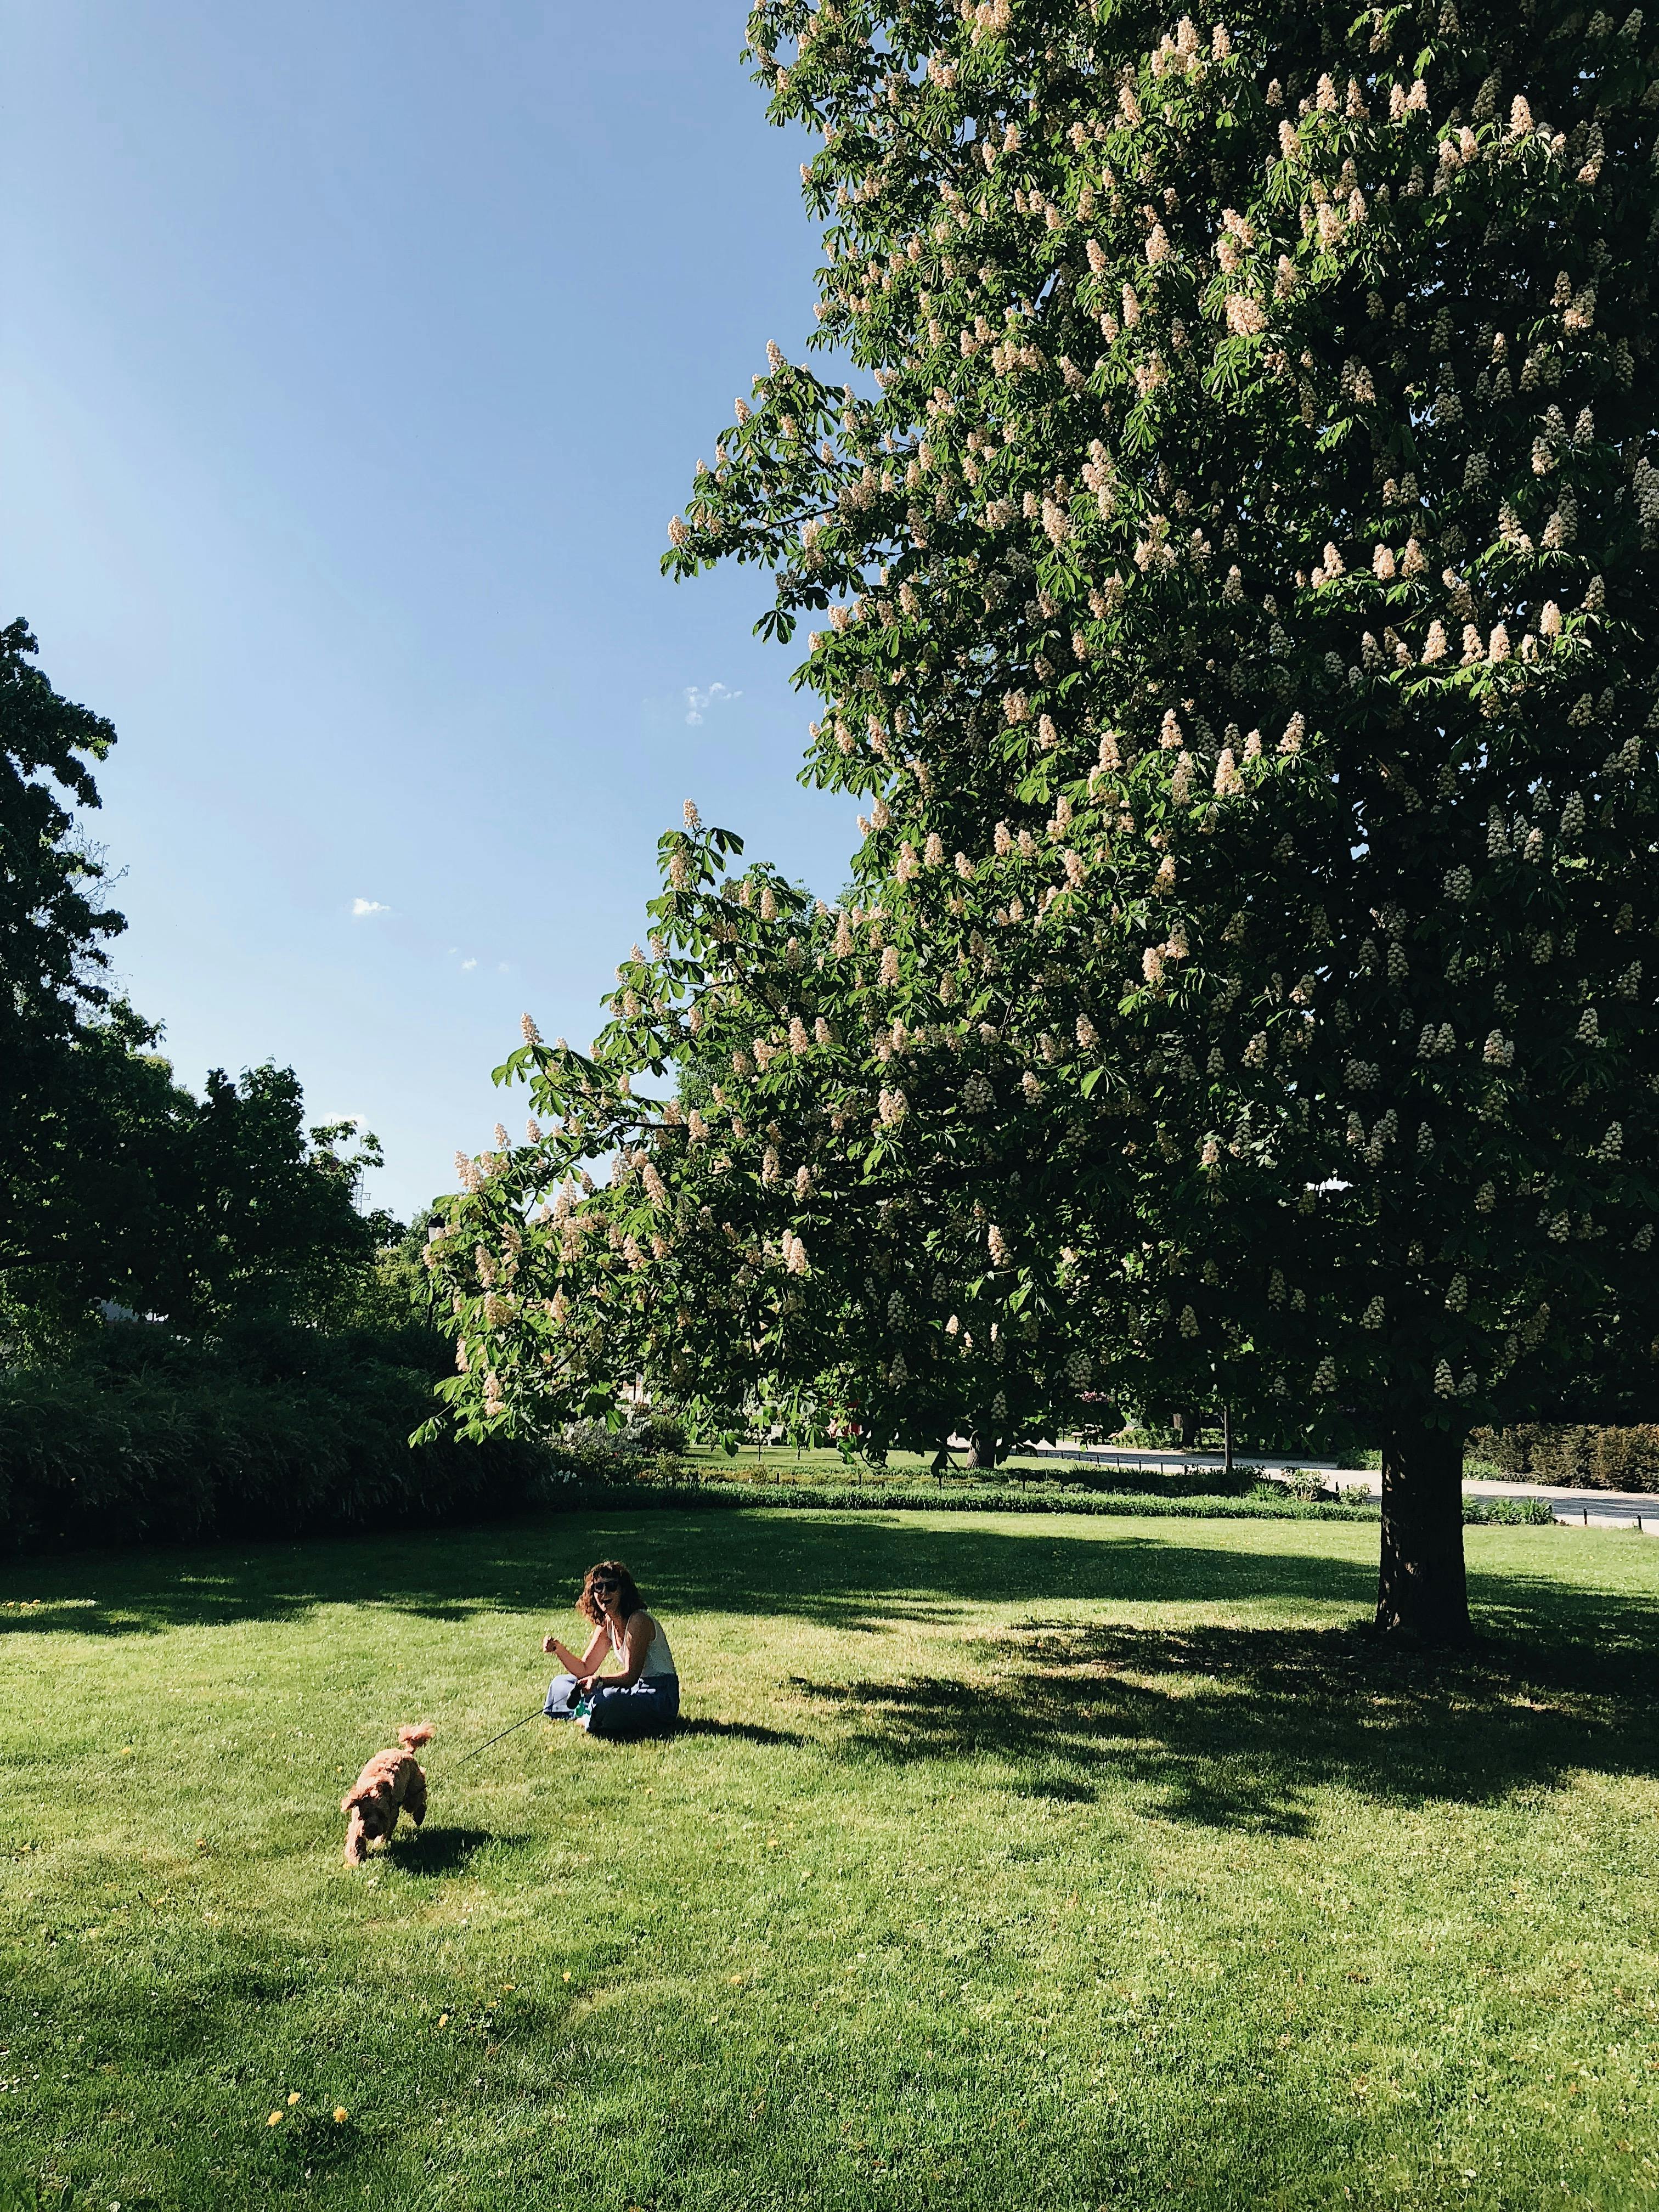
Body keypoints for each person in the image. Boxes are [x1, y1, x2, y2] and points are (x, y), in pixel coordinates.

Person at [542, 1560, 680, 1738]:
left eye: (611, 1586)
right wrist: (559, 1650)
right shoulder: (607, 1623)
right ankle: (592, 1714)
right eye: (598, 1587)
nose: (604, 1593)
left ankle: (589, 1714)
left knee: (607, 1700)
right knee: (561, 1684)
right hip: (633, 1691)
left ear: (623, 1590)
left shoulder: (638, 1621)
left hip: (658, 1697)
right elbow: (585, 1669)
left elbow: (631, 1676)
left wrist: (599, 1681)